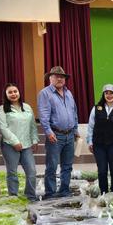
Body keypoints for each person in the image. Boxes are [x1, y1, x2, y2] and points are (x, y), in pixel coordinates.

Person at [37, 66, 79, 199]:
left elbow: (74, 112)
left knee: (67, 166)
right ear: (50, 78)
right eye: (56, 76)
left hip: (70, 135)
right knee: (52, 167)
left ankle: (64, 191)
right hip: (55, 135)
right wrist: (48, 132)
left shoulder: (68, 93)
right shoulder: (45, 93)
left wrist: (76, 129)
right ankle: (50, 194)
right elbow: (43, 115)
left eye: (62, 77)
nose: (60, 78)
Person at [0, 83, 38, 202]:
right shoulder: (2, 109)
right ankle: (13, 196)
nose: (13, 94)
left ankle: (30, 196)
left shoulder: (27, 107)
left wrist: (34, 140)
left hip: (26, 145)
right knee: (12, 172)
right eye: (10, 92)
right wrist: (15, 142)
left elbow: (33, 126)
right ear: (6, 95)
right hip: (10, 145)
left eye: (15, 91)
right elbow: (3, 128)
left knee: (31, 171)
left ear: (19, 92)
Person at [87, 84, 113, 194]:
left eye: (111, 93)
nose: (109, 95)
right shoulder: (96, 109)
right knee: (102, 170)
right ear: (103, 94)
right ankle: (104, 192)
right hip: (99, 145)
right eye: (107, 93)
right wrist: (90, 141)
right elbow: (90, 127)